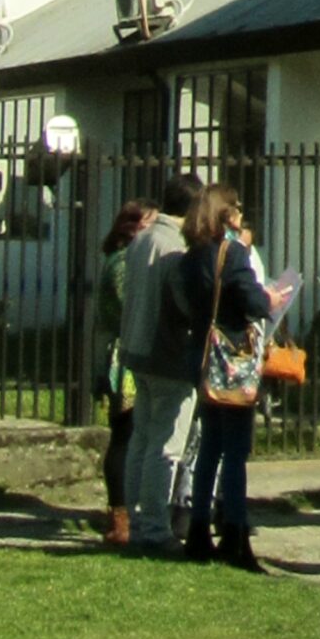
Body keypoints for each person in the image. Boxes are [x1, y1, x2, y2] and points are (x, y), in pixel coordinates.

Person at [168, 184, 280, 573]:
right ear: (223, 214)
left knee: (209, 448)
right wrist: (271, 300)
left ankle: (199, 527)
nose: (240, 215)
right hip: (231, 360)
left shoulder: (190, 256)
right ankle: (234, 530)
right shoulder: (231, 253)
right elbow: (252, 301)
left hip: (202, 357)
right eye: (235, 209)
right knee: (235, 450)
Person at [117, 173, 204, 555]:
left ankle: (137, 519)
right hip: (167, 354)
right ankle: (153, 526)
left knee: (141, 438)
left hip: (136, 350)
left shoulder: (142, 239)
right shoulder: (175, 248)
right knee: (165, 445)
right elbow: (184, 304)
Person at [92, 199, 152, 545]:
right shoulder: (122, 263)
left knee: (129, 434)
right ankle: (119, 515)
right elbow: (130, 304)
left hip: (127, 353)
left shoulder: (129, 260)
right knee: (124, 435)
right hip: (122, 359)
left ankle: (127, 510)